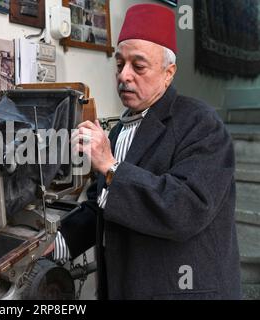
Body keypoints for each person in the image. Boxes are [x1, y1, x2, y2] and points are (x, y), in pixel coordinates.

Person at [52, 4, 241, 300]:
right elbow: (100, 205)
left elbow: (186, 207)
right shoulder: (119, 129)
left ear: (169, 73)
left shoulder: (201, 123)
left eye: (138, 66)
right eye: (119, 65)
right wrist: (57, 243)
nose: (124, 76)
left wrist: (112, 167)